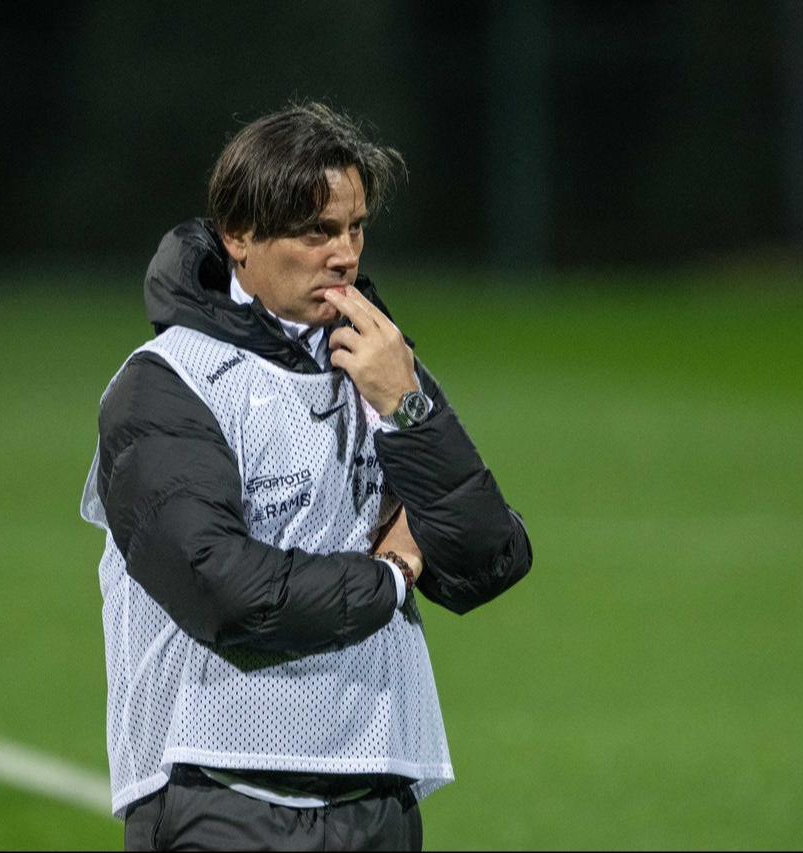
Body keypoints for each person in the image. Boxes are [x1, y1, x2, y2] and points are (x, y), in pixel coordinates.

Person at [79, 101, 532, 851]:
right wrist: (389, 574)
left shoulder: (379, 364)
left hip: (378, 792)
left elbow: (489, 561)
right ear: (240, 238)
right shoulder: (166, 384)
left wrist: (409, 410)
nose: (345, 254)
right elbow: (227, 591)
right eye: (316, 231)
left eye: (355, 228)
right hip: (217, 795)